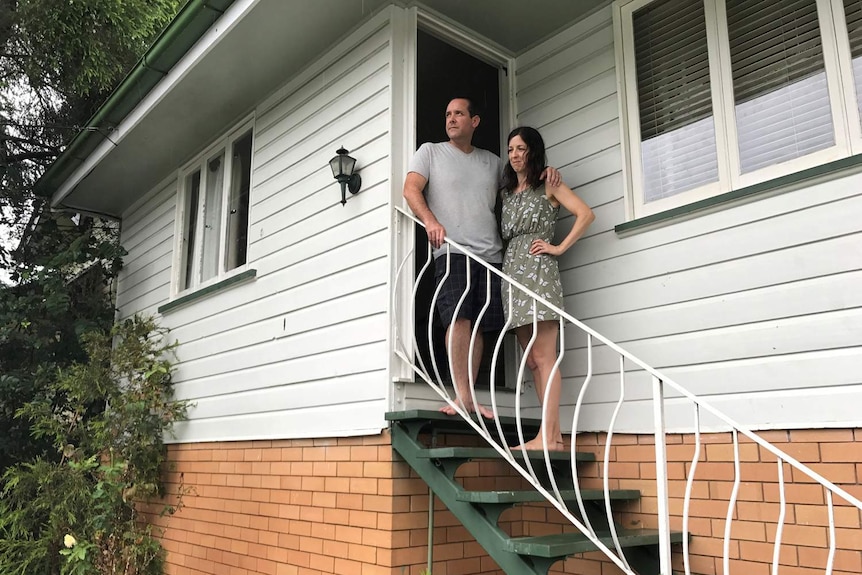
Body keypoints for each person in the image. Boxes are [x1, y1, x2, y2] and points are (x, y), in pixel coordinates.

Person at [403, 98, 560, 419]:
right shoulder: (430, 151)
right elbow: (410, 189)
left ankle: (469, 396)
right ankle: (461, 396)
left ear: (474, 121)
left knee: (478, 327)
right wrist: (430, 221)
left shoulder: (492, 162)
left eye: (458, 113)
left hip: (491, 257)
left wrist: (547, 172)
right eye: (447, 114)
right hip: (453, 250)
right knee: (457, 318)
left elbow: (522, 181)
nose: (451, 119)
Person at [500, 126, 594, 451]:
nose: (514, 154)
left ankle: (547, 437)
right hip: (512, 276)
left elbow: (585, 214)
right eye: (511, 149)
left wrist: (558, 247)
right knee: (534, 361)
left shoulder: (548, 184)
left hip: (539, 273)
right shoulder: (507, 193)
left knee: (544, 356)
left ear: (533, 151)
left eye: (521, 148)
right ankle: (552, 437)